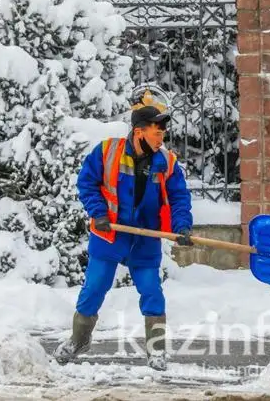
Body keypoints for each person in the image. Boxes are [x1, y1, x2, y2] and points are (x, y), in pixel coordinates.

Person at [54, 90, 194, 371]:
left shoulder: (166, 162)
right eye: (157, 133)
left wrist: (182, 227)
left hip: (145, 238)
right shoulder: (108, 152)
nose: (161, 138)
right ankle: (79, 340)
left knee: (151, 292)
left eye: (163, 133)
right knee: (94, 287)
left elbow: (179, 198)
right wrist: (99, 214)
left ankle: (156, 351)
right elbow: (87, 183)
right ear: (139, 132)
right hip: (111, 233)